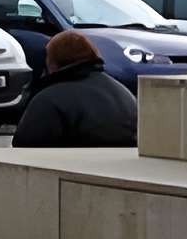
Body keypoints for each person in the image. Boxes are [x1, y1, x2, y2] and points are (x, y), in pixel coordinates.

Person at [10, 29, 139, 149]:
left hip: (74, 164)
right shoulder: (125, 94)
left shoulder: (49, 100)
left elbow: (25, 145)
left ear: (52, 61)